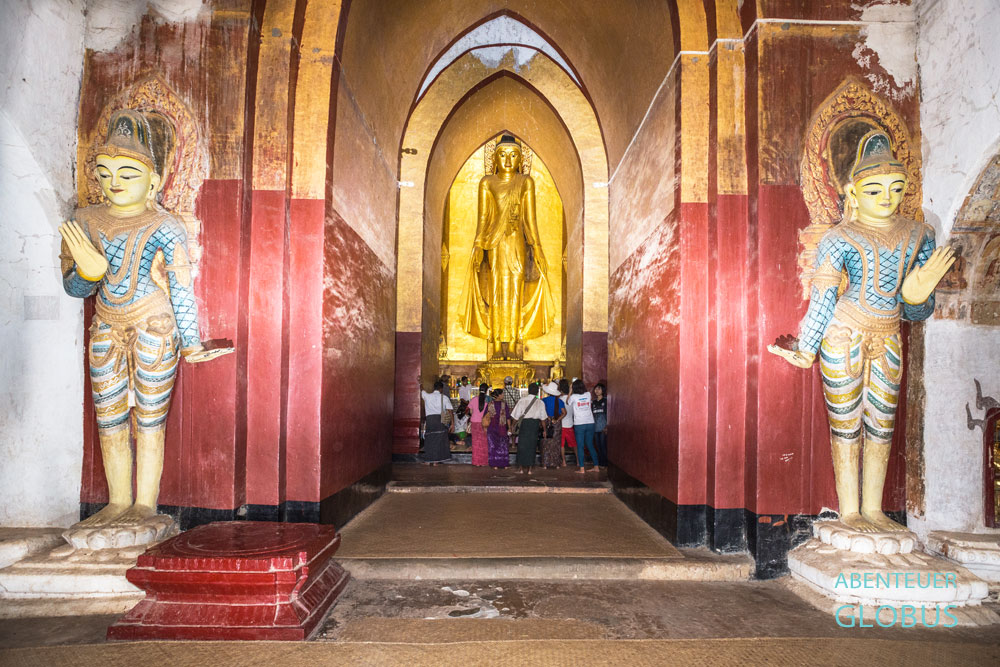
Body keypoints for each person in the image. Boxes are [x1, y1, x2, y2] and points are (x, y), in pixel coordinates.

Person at [768, 130, 954, 532]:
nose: (887, 197)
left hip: (888, 335)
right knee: (846, 422)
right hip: (843, 334)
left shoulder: (920, 235)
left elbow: (918, 312)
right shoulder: (839, 237)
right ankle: (850, 510)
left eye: (896, 188)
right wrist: (807, 346)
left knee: (882, 424)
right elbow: (823, 298)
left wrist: (917, 293)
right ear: (852, 192)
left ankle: (874, 509)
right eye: (874, 189)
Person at [58, 109, 230, 528]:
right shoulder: (84, 221)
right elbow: (74, 289)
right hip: (105, 323)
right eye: (104, 173)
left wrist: (191, 343)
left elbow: (180, 287)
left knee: (150, 417)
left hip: (155, 324)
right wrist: (88, 273)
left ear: (153, 181)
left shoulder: (164, 224)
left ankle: (145, 505)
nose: (113, 182)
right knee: (109, 415)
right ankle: (118, 502)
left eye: (127, 174)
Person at [511, 383, 547, 474]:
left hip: (524, 424)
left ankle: (521, 469)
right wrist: (544, 430)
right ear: (537, 391)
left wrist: (512, 426)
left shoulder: (522, 401)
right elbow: (543, 419)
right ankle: (530, 469)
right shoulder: (540, 402)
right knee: (532, 446)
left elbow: (516, 416)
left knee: (522, 446)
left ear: (528, 391)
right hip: (534, 425)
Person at [567, 379, 599, 473]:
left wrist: (570, 391)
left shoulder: (573, 397)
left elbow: (567, 402)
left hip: (579, 424)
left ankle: (582, 469)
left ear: (574, 388)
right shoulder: (588, 394)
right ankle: (596, 467)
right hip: (590, 423)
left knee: (580, 446)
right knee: (590, 445)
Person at [419, 378, 453, 465]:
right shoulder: (444, 398)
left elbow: (422, 390)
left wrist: (420, 383)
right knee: (439, 440)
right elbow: (450, 411)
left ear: (434, 388)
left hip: (430, 420)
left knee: (429, 439)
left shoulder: (427, 396)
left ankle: (428, 460)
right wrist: (452, 423)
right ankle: (436, 461)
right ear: (441, 389)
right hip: (440, 420)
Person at [482, 388, 511, 469]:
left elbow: (485, 416)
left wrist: (485, 427)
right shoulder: (504, 405)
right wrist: (509, 428)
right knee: (503, 446)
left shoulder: (490, 404)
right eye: (502, 394)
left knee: (493, 446)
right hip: (502, 427)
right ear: (498, 395)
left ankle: (495, 464)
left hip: (492, 428)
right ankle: (504, 464)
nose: (503, 395)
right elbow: (508, 417)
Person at [540, 381, 567, 468]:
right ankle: (556, 464)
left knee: (546, 443)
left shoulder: (544, 400)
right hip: (557, 423)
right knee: (556, 442)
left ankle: (545, 464)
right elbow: (564, 413)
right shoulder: (560, 401)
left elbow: (542, 412)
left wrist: (548, 418)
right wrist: (557, 420)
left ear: (548, 392)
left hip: (547, 422)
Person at [468, 383, 490, 466]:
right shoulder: (489, 400)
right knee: (484, 442)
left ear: (479, 389)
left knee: (475, 442)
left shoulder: (473, 399)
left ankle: (476, 462)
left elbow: (470, 411)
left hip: (474, 422)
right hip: (485, 423)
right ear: (487, 390)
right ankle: (484, 462)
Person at [557, 378, 577, 458]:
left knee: (561, 445)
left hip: (561, 425)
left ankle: (564, 462)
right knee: (574, 444)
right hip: (570, 424)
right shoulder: (572, 399)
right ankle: (578, 461)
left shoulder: (559, 400)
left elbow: (559, 413)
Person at [592, 383, 608, 467]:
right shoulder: (593, 402)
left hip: (603, 428)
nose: (597, 390)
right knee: (598, 446)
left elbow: (609, 414)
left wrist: (607, 426)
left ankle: (605, 463)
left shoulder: (606, 401)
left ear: (603, 390)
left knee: (603, 446)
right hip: (595, 428)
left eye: (599, 389)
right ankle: (601, 463)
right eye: (596, 389)